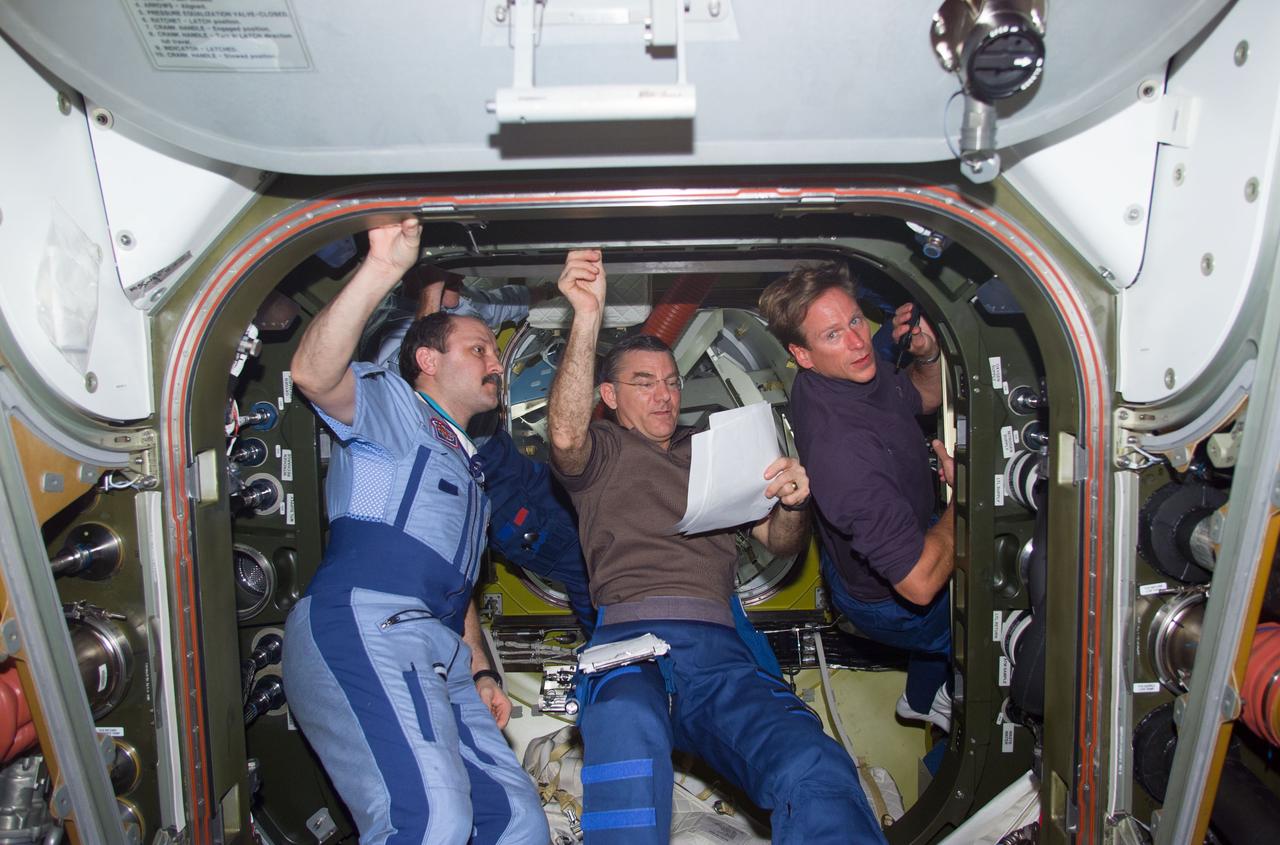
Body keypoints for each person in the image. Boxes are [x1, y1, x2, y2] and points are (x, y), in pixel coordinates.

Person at [547, 250, 886, 844]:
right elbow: (566, 434)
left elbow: (780, 546)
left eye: (672, 383)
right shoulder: (600, 453)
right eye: (643, 383)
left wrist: (792, 501)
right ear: (608, 394)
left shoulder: (714, 454)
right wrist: (587, 315)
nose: (664, 396)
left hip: (720, 654)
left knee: (815, 766)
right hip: (628, 642)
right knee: (626, 736)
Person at [281, 219, 547, 845]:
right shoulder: (393, 409)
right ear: (428, 361)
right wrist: (382, 269)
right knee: (428, 822)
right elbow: (314, 374)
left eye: (494, 352)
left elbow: (460, 592)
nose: (495, 363)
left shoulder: (470, 468)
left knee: (517, 823)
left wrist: (481, 672)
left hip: (441, 649)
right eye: (478, 349)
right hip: (367, 623)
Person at [758, 263, 956, 733]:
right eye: (832, 335)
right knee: (973, 632)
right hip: (893, 600)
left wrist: (926, 357)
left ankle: (922, 698)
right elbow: (920, 583)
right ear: (802, 356)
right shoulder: (841, 453)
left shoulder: (850, 373)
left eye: (854, 320)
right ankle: (936, 692)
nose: (858, 341)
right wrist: (960, 506)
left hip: (879, 549)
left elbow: (920, 399)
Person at [364, 268, 595, 632]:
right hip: (481, 480)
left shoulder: (463, 311)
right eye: (478, 351)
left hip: (506, 457)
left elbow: (502, 305)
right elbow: (420, 382)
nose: (495, 364)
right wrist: (432, 292)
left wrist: (552, 290)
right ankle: (610, 655)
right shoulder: (389, 341)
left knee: (600, 520)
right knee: (583, 565)